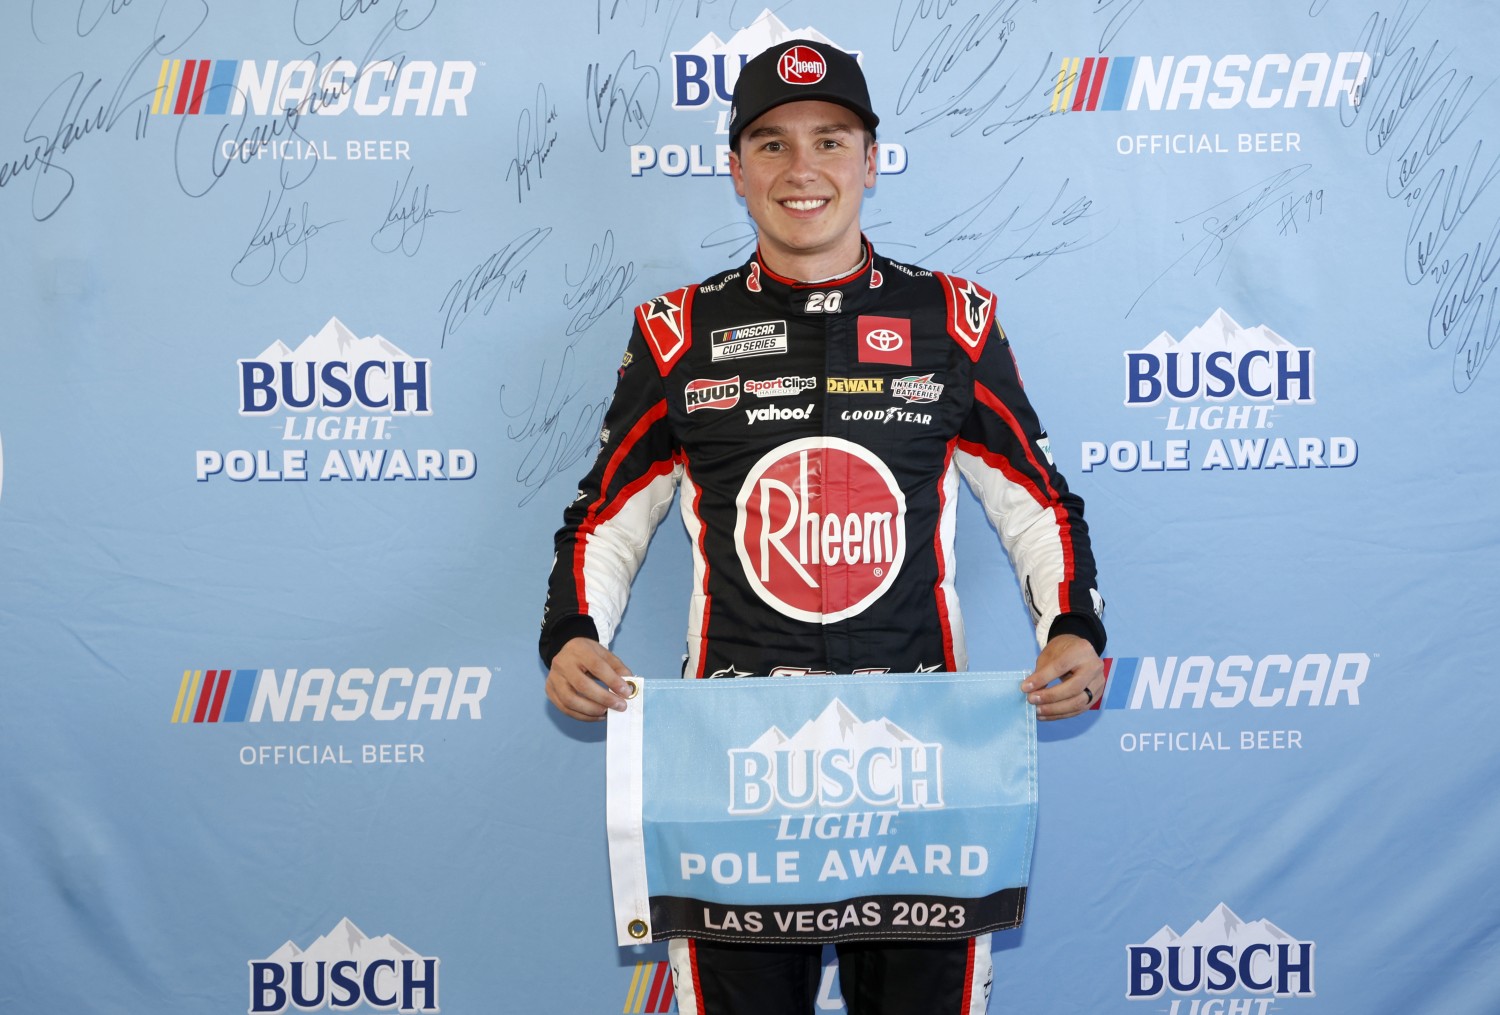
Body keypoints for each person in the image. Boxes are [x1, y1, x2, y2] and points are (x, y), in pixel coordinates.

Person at [540, 37, 1106, 1015]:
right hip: (733, 762)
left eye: (831, 140)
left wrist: (1076, 626)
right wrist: (573, 632)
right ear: (736, 169)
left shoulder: (954, 318)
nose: (802, 170)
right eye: (771, 144)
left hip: (919, 757)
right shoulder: (678, 330)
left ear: (872, 159)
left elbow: (1038, 498)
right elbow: (606, 514)